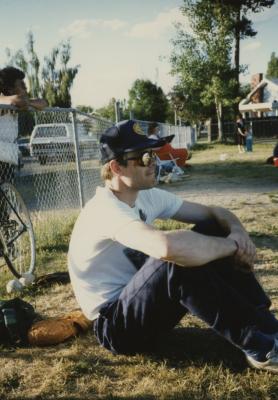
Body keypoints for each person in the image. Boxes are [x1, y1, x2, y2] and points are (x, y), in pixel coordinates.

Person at [68, 119, 278, 372]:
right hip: (116, 327)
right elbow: (166, 248)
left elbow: (214, 213)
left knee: (212, 230)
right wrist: (232, 247)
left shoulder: (145, 195)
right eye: (144, 157)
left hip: (143, 305)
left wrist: (237, 233)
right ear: (116, 167)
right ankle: (260, 348)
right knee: (175, 258)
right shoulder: (105, 210)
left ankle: (267, 326)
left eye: (154, 155)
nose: (154, 163)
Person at [0, 66, 47, 183]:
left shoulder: (16, 101)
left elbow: (44, 103)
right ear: (9, 89)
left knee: (6, 192)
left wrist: (27, 102)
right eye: (22, 86)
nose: (26, 89)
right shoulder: (3, 100)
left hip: (6, 157)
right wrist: (24, 102)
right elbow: (16, 101)